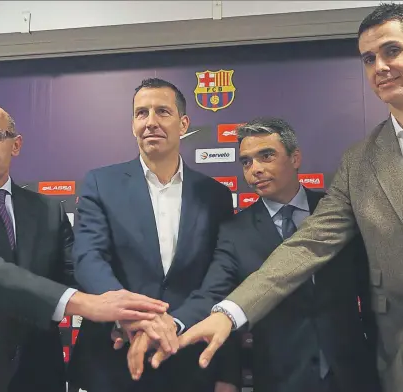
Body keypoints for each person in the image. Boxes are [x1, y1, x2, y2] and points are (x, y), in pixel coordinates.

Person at [171, 4, 403, 392]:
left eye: (392, 51)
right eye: (369, 58)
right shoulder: (359, 163)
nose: (380, 67)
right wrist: (228, 313)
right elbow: (306, 245)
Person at [0, 102, 169, 392]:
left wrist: (125, 316)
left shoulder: (47, 210)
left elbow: (75, 273)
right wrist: (87, 304)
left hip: (38, 372)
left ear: (15, 145)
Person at [131, 117, 381, 392]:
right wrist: (173, 323)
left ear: (295, 158)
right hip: (280, 378)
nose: (255, 169)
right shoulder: (235, 232)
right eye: (247, 162)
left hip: (354, 373)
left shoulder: (338, 211)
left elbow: (372, 287)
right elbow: (213, 292)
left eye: (266, 156)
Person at [67, 78, 240, 392]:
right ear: (133, 123)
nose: (150, 122)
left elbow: (220, 277)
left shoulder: (215, 195)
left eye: (162, 111)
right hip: (113, 358)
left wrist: (172, 324)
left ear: (183, 123)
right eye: (141, 113)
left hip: (189, 358)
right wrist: (134, 318)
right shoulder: (100, 183)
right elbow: (88, 258)